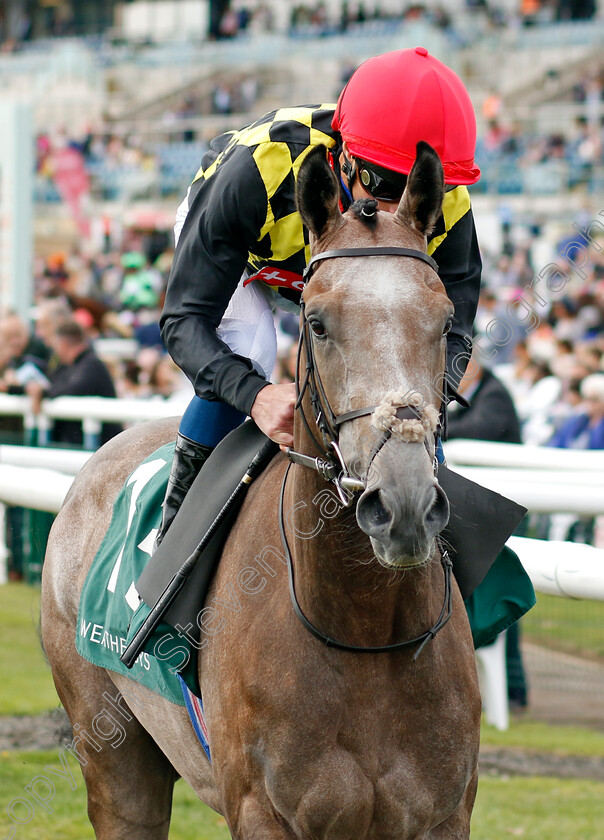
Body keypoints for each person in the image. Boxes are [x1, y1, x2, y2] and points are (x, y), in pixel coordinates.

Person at [156, 47, 482, 545]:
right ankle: (175, 538)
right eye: (381, 185)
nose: (394, 210)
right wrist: (257, 396)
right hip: (247, 255)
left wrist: (419, 408)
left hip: (329, 270)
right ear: (344, 155)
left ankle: (453, 568)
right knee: (253, 347)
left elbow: (452, 330)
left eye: (410, 188)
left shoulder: (446, 201)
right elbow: (184, 320)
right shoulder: (259, 169)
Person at [25, 320, 122, 446]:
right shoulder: (71, 366)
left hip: (102, 447)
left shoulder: (91, 365)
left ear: (64, 344)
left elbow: (74, 388)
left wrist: (43, 392)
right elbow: (51, 384)